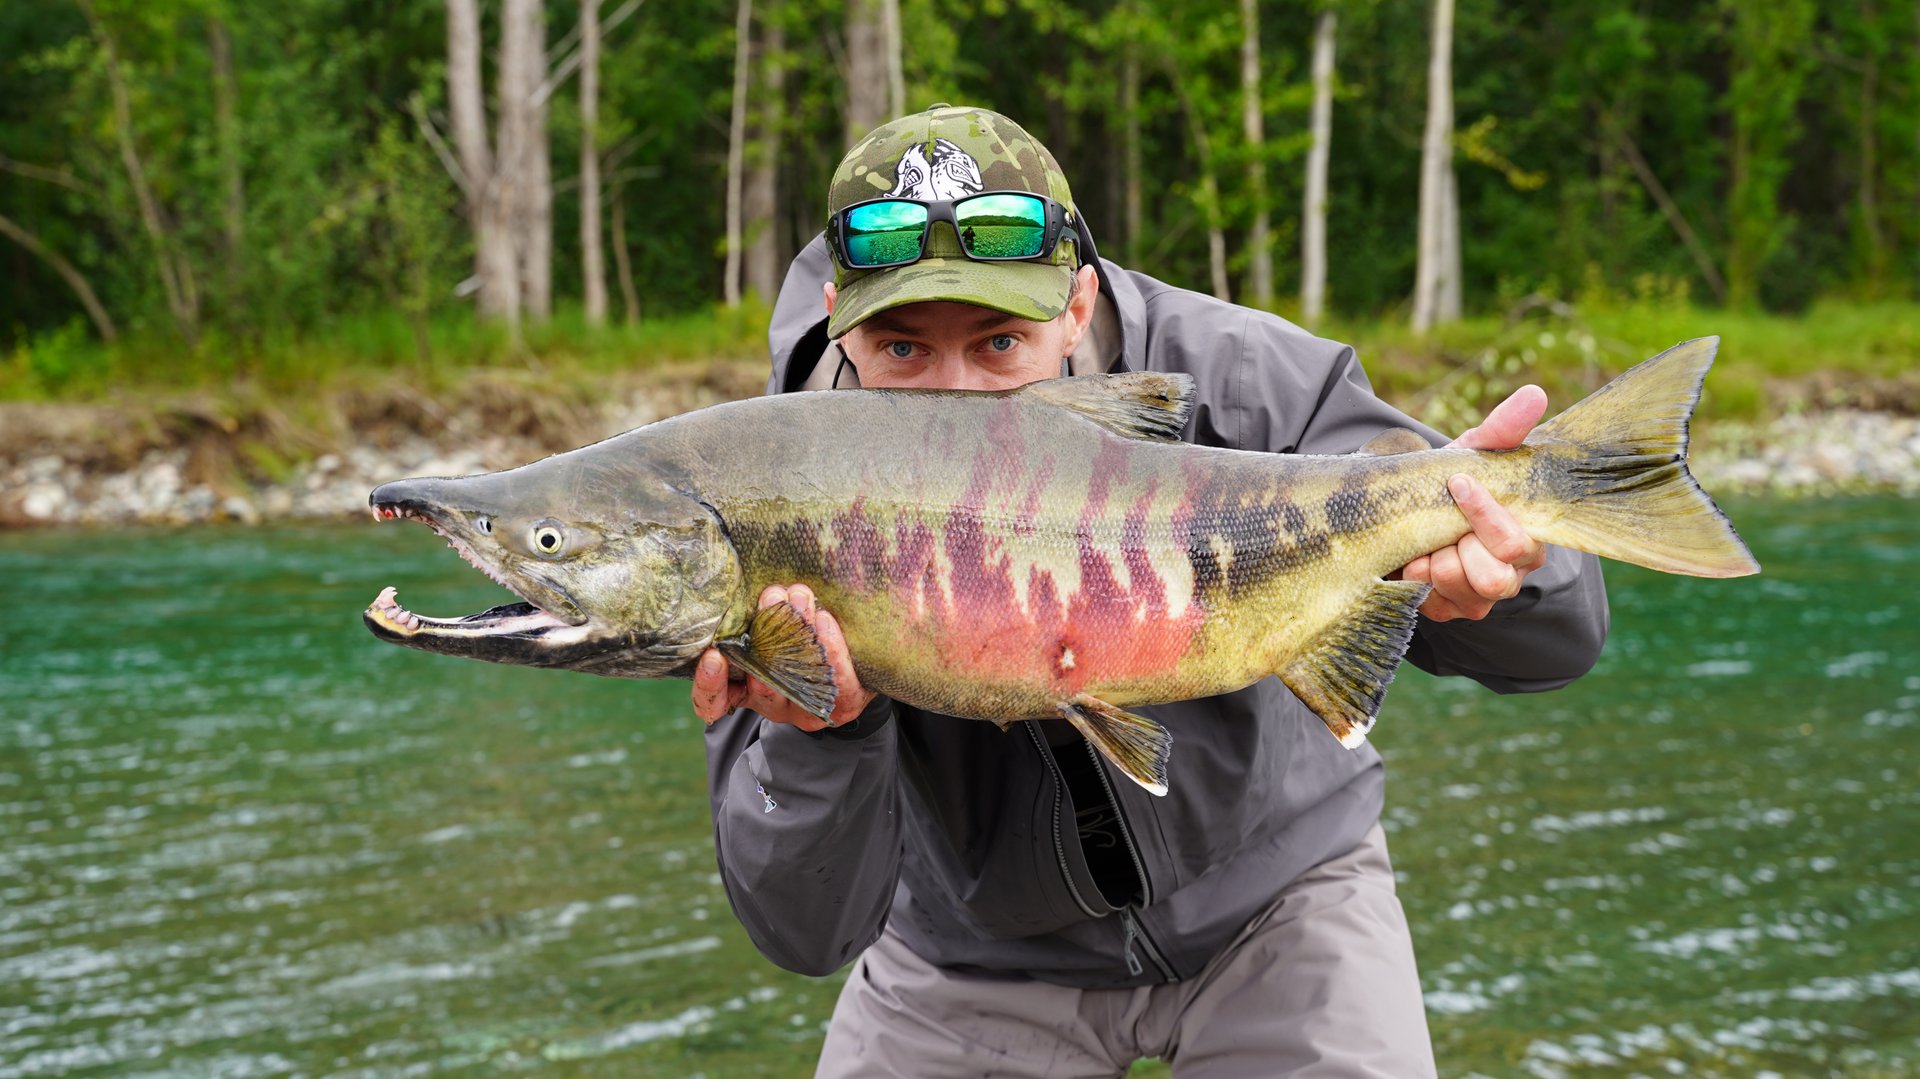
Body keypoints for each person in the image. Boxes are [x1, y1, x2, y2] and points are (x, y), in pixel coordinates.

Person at [695, 105, 1608, 1078]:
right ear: (841, 317)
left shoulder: (1245, 377)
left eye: (1000, 343)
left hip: (1279, 900)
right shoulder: (762, 495)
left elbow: (1562, 642)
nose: (949, 396)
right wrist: (819, 733)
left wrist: (1511, 583)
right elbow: (805, 929)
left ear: (1076, 304)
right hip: (970, 955)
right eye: (904, 349)